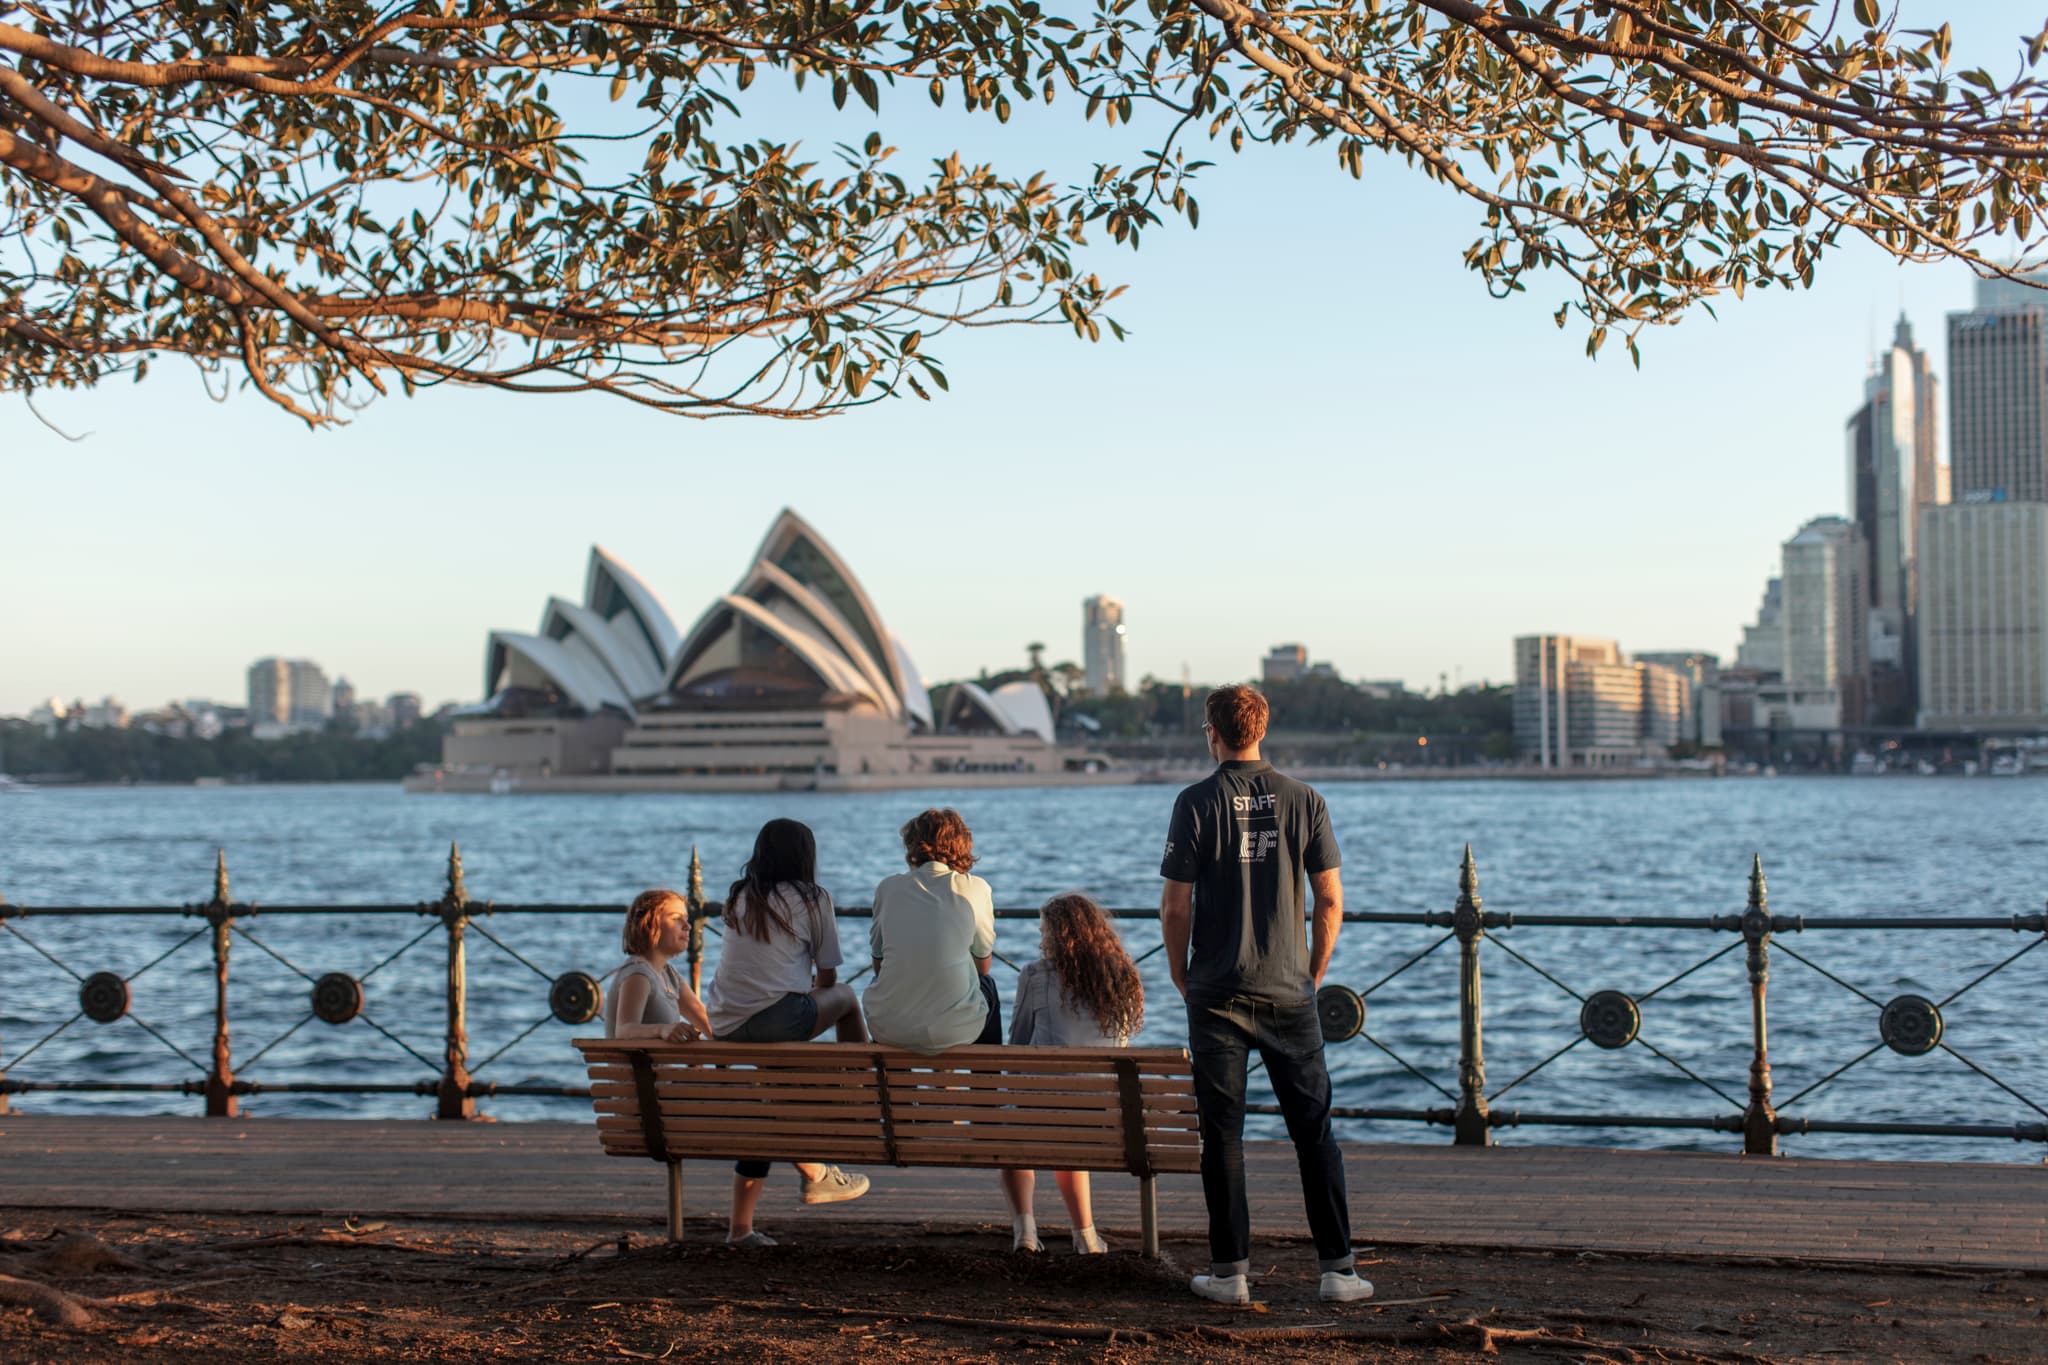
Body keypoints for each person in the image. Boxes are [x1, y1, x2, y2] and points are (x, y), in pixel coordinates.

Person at [1159, 684, 1372, 1305]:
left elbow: (1176, 907)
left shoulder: (1195, 801)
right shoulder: (1306, 800)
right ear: (1263, 727)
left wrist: (1181, 973)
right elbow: (1330, 900)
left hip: (1216, 993)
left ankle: (1230, 1275)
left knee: (1223, 1137)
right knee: (1315, 1133)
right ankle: (1337, 1271)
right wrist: (1312, 972)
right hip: (1289, 992)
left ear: (1212, 732)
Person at [863, 810, 1031, 1245]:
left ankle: (901, 1103)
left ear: (912, 846)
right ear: (961, 845)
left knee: (900, 995)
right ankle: (986, 1103)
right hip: (958, 1026)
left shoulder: (887, 888)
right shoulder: (974, 889)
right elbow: (983, 963)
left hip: (889, 1024)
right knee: (987, 988)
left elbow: (878, 962)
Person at [705, 818, 873, 1246]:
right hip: (776, 1019)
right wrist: (806, 1002)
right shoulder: (813, 897)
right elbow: (829, 976)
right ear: (805, 856)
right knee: (848, 998)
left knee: (772, 1105)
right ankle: (860, 1095)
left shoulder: (740, 895)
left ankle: (742, 1228)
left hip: (724, 1023)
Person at [1005, 892, 1145, 1255]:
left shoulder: (1035, 975)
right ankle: (1084, 1233)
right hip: (1103, 1115)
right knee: (1070, 1119)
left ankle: (1025, 1231)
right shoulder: (1121, 977)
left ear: (1053, 935)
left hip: (1045, 1107)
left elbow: (1017, 1044)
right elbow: (1121, 1047)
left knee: (1012, 1119)